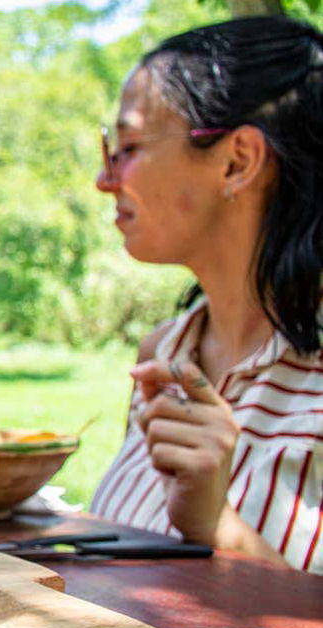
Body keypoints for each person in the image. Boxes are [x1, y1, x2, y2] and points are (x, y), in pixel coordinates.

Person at [89, 16, 323, 573]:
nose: (105, 179)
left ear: (237, 161)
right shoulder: (162, 354)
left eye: (126, 147)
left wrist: (219, 529)